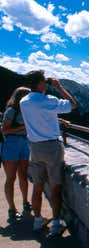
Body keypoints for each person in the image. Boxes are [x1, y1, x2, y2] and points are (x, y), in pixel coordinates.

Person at [20, 70, 76, 236]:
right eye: (44, 81)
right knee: (55, 187)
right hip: (52, 148)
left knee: (37, 186)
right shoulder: (49, 100)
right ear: (39, 83)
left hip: (35, 147)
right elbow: (72, 105)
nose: (46, 83)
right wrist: (59, 87)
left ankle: (38, 220)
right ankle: (56, 224)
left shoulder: (24, 102)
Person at [1, 87, 32, 223]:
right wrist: (23, 126)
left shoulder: (26, 111)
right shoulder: (11, 111)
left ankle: (25, 202)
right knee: (11, 178)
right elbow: (5, 130)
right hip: (11, 143)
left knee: (23, 176)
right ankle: (12, 209)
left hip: (24, 143)